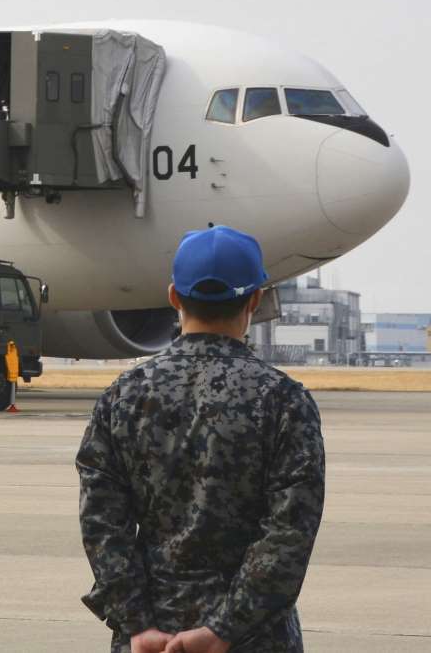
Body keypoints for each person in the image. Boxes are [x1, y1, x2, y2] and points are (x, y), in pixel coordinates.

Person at [76, 226, 325, 653]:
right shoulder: (284, 401)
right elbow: (288, 535)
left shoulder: (124, 395)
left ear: (173, 296)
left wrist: (137, 623)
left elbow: (102, 523)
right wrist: (225, 629)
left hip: (151, 634)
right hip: (253, 639)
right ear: (254, 299)